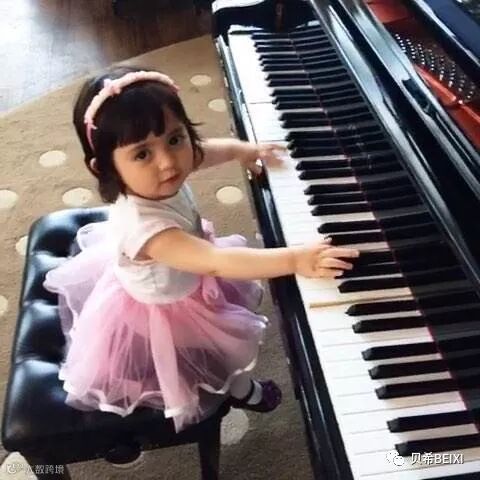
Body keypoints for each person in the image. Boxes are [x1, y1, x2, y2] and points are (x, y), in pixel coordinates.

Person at [44, 66, 360, 432]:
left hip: (184, 276)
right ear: (104, 168)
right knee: (223, 350)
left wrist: (243, 150)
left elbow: (200, 153)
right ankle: (242, 390)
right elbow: (215, 262)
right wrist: (295, 258)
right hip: (165, 309)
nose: (168, 162)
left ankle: (237, 384)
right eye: (142, 154)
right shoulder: (146, 230)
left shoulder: (168, 166)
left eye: (174, 139)